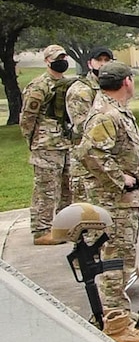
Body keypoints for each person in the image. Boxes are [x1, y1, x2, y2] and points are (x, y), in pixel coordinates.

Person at [71, 61, 139, 342]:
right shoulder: (107, 114)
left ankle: (116, 313)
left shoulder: (113, 109)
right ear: (127, 82)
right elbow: (90, 153)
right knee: (115, 260)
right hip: (113, 202)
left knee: (119, 259)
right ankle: (117, 325)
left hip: (119, 201)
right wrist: (120, 179)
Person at [21, 45, 80, 246]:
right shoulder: (39, 85)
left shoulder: (67, 83)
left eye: (64, 57)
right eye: (57, 58)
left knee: (68, 188)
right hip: (46, 145)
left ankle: (64, 227)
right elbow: (28, 118)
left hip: (65, 142)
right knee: (46, 189)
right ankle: (41, 230)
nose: (61, 61)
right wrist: (33, 140)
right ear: (47, 60)